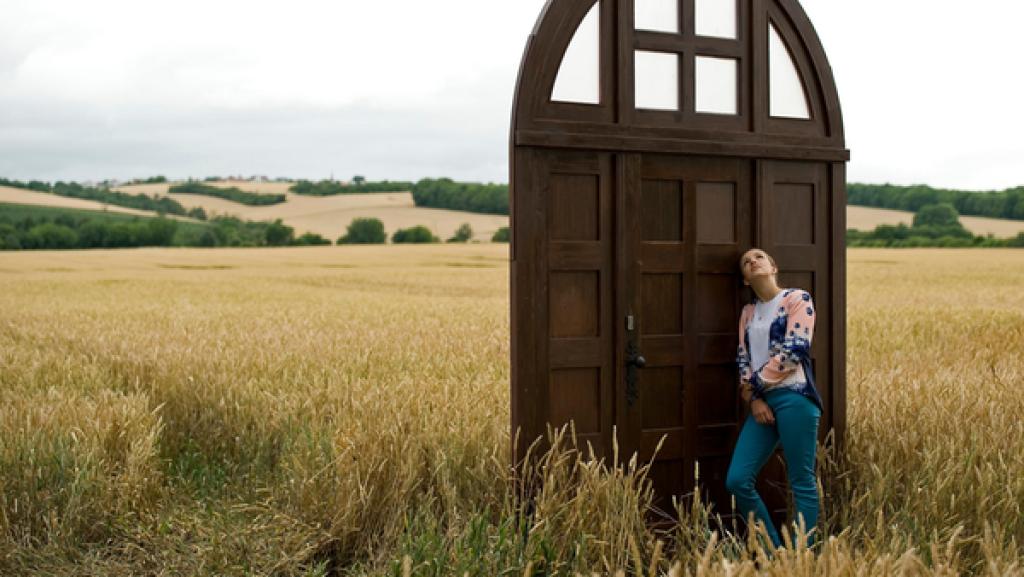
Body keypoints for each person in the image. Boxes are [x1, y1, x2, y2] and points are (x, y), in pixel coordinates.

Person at [726, 248, 824, 550]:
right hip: (762, 404)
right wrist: (754, 401)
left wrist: (754, 387)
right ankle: (772, 553)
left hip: (795, 397)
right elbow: (743, 358)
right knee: (737, 480)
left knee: (801, 480)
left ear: (773, 267)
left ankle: (801, 556)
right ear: (745, 279)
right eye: (746, 262)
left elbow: (794, 352)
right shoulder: (748, 313)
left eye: (759, 257)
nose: (752, 261)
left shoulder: (797, 299)